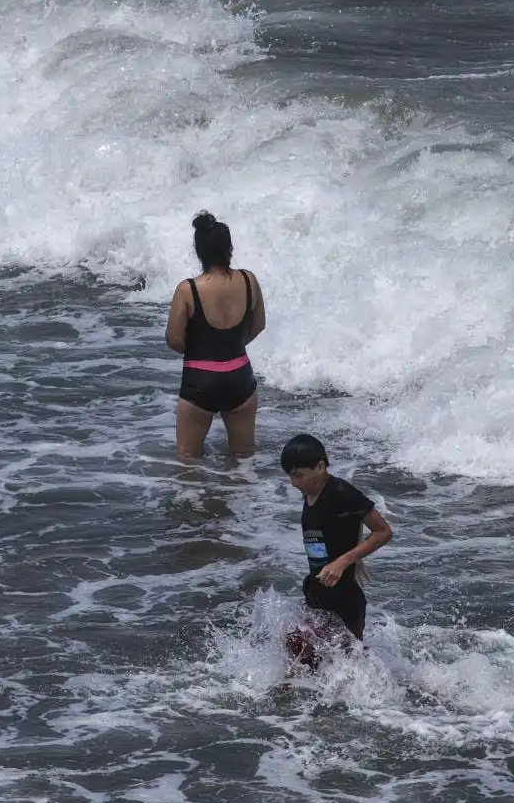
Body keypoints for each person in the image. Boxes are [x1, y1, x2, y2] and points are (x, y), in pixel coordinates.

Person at [165, 212, 265, 458]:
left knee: (187, 460)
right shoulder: (248, 280)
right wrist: (232, 346)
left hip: (200, 380)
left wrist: (202, 351)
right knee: (243, 458)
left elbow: (174, 339)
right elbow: (259, 324)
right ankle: (248, 496)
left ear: (198, 250)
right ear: (229, 248)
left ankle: (196, 497)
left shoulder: (187, 289)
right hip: (240, 376)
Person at [281, 433, 392, 641]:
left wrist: (345, 561)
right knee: (296, 652)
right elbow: (352, 520)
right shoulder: (310, 490)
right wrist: (356, 554)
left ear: (320, 467)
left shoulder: (342, 492)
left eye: (298, 475)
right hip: (317, 592)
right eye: (290, 476)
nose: (293, 483)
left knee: (348, 666)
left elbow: (383, 531)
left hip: (344, 601)